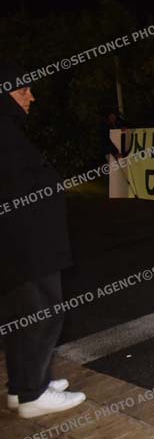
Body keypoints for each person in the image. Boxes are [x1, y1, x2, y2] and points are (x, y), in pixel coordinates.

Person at [0, 79, 86, 419]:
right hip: (26, 246)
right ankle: (32, 395)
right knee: (42, 314)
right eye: (23, 90)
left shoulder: (7, 130)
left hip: (19, 245)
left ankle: (22, 387)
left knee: (21, 317)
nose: (31, 97)